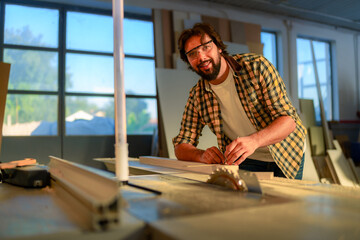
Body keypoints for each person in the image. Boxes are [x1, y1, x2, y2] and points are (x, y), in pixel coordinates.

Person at [173, 23, 307, 179]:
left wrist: (254, 141)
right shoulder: (198, 96)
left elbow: (288, 122)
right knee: (251, 202)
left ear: (218, 47)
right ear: (188, 61)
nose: (201, 57)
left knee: (285, 202)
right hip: (247, 158)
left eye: (206, 47)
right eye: (192, 54)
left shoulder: (256, 67)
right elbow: (181, 144)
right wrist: (201, 156)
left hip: (286, 150)